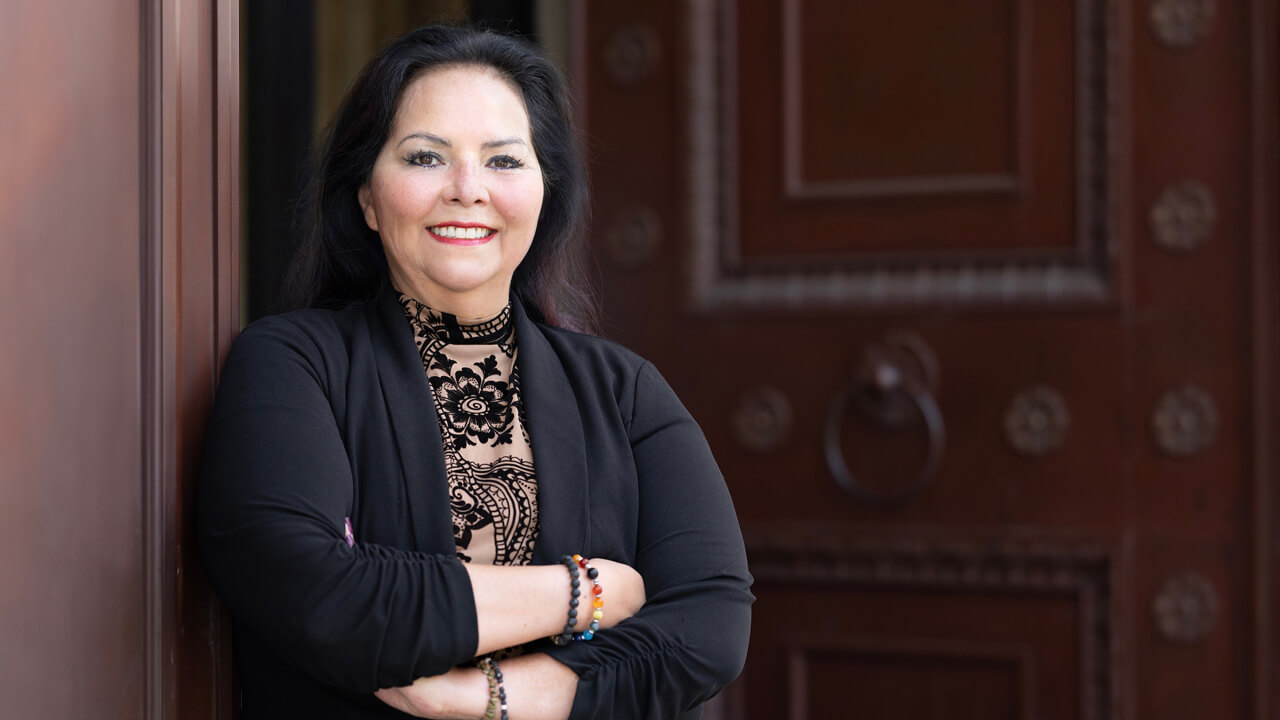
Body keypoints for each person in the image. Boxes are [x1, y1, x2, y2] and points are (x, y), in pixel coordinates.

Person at [197, 24, 753, 720]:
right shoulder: (290, 364)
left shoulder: (625, 391)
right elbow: (315, 596)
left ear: (544, 192)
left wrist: (486, 698)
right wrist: (588, 592)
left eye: (503, 161)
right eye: (425, 157)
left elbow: (711, 626)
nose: (467, 189)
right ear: (367, 197)